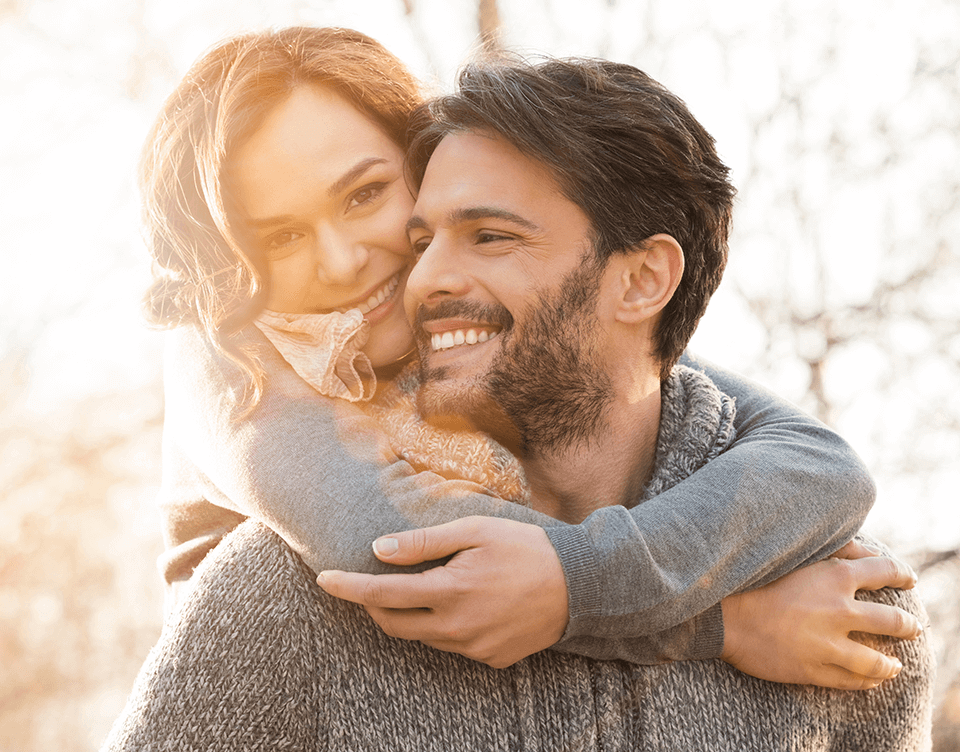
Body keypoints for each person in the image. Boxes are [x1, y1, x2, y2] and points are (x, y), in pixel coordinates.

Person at [102, 54, 933, 751]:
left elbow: (814, 456)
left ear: (645, 280)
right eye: (278, 234)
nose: (353, 259)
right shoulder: (240, 395)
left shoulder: (852, 609)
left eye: (368, 197)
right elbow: (396, 549)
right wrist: (724, 629)